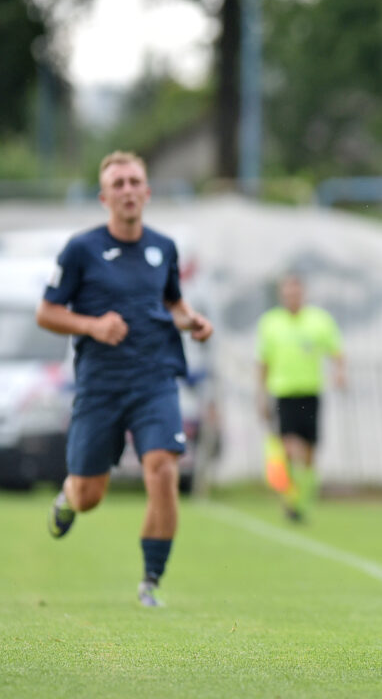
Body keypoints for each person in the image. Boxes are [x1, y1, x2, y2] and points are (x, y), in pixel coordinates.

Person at [37, 150, 213, 607]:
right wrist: (93, 326)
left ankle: (150, 580)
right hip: (100, 385)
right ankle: (69, 497)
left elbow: (172, 303)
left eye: (135, 181)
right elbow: (47, 312)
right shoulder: (81, 250)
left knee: (163, 468)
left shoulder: (163, 248)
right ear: (104, 197)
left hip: (154, 379)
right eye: (118, 184)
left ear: (148, 192)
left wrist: (192, 320)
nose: (128, 190)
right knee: (91, 494)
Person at [256, 273, 346, 522]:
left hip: (310, 391)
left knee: (308, 452)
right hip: (283, 393)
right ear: (281, 296)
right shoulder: (270, 323)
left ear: (302, 294)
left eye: (295, 293)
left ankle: (301, 499)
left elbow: (336, 350)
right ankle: (289, 497)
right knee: (288, 447)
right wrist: (260, 395)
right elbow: (263, 362)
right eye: (287, 294)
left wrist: (339, 373)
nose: (291, 297)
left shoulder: (319, 321)